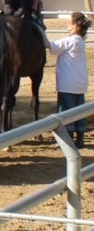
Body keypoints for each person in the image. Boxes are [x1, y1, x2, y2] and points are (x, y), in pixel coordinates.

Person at [47, 12, 91, 148]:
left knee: (66, 110)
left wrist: (40, 33)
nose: (67, 24)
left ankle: (67, 139)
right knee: (79, 110)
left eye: (69, 22)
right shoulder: (80, 42)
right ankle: (80, 139)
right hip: (80, 82)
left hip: (67, 83)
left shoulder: (68, 41)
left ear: (75, 26)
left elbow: (50, 46)